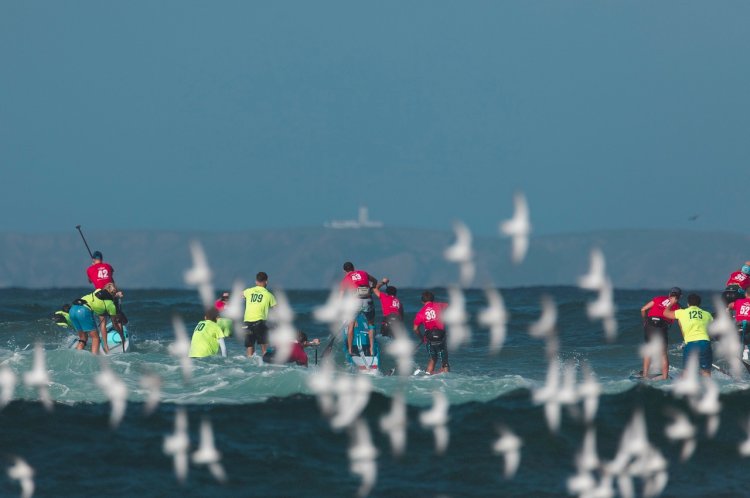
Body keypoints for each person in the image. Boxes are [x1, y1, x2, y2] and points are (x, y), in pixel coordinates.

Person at [662, 293, 713, 377]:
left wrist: (672, 303)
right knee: (706, 372)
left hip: (691, 344)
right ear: (699, 304)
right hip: (705, 343)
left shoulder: (682, 312)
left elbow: (665, 313)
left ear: (688, 304)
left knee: (687, 372)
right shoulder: (707, 314)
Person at [639, 287, 682, 380]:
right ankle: (665, 377)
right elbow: (680, 321)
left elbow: (643, 309)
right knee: (663, 353)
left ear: (669, 294)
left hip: (650, 324)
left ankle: (645, 375)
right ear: (679, 296)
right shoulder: (678, 306)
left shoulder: (659, 298)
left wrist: (645, 321)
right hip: (661, 325)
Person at [68, 286, 121, 354]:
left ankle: (78, 356)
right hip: (83, 311)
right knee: (96, 338)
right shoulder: (111, 305)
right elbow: (115, 323)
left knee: (83, 338)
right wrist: (120, 333)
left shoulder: (97, 290)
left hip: (72, 309)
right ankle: (94, 358)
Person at [340, 262, 378, 354]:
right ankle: (372, 349)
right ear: (353, 268)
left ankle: (350, 350)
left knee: (351, 326)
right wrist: (371, 288)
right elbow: (375, 280)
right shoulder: (363, 273)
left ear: (344, 271)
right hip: (367, 300)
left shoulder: (346, 279)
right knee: (371, 324)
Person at [413, 291, 450, 374]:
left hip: (429, 338)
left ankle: (428, 377)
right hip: (441, 337)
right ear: (433, 299)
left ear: (422, 301)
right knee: (444, 361)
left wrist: (422, 338)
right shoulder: (439, 305)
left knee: (433, 359)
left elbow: (415, 329)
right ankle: (446, 377)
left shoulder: (420, 313)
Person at [242, 272, 277, 357]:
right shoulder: (269, 295)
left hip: (247, 323)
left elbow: (240, 294)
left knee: (250, 350)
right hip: (260, 322)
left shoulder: (248, 291)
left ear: (256, 282)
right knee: (264, 349)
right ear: (266, 282)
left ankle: (250, 367)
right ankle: (266, 367)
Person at [729, 288, 750, 360]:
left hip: (739, 326)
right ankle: (746, 351)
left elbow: (731, 305)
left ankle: (743, 352)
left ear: (745, 294)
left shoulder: (739, 301)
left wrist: (727, 309)